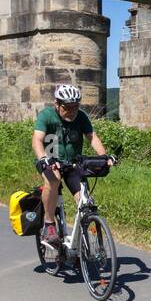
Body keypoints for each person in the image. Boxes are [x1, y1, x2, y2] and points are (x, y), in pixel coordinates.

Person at [32, 85, 115, 249]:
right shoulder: (47, 116)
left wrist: (104, 157)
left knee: (85, 202)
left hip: (72, 164)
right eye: (67, 107)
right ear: (57, 104)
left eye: (75, 106)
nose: (71, 111)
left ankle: (80, 248)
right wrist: (43, 158)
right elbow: (37, 140)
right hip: (50, 160)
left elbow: (92, 138)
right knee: (53, 181)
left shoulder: (81, 117)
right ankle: (49, 224)